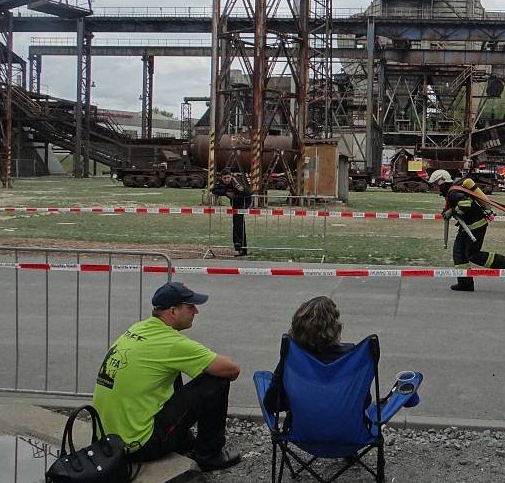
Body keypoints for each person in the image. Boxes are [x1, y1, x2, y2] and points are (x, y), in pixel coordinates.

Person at [93, 281, 241, 471]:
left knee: (170, 371)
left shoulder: (138, 328)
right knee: (216, 381)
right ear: (173, 311)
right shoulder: (171, 343)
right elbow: (232, 369)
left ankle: (182, 441)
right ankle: (209, 455)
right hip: (138, 446)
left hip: (107, 439)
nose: (196, 311)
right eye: (190, 307)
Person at [264, 296, 368, 414]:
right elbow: (364, 402)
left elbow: (272, 404)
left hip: (301, 430)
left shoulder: (293, 357)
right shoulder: (350, 357)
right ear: (334, 329)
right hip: (347, 430)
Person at [427, 169, 505, 292]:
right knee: (459, 253)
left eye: (436, 185)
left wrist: (452, 211)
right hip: (468, 227)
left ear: (441, 182)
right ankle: (465, 283)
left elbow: (465, 204)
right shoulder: (453, 191)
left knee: (472, 255)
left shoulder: (453, 192)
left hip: (476, 226)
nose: (435, 188)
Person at [211, 169, 252, 256]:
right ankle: (239, 247)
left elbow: (248, 193)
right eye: (224, 178)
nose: (226, 180)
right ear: (221, 178)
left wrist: (235, 195)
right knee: (236, 224)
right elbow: (214, 190)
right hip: (235, 203)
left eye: (228, 177)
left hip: (243, 201)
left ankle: (242, 248)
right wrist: (226, 192)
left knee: (238, 223)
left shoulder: (235, 182)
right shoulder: (221, 182)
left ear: (231, 177)